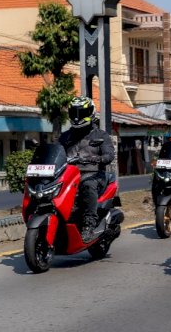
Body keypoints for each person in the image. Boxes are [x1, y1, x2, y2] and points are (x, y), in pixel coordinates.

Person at [59, 96, 115, 242]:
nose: (77, 118)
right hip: (69, 176)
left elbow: (109, 155)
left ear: (91, 113)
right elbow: (56, 153)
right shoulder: (65, 137)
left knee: (87, 185)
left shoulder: (101, 135)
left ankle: (89, 225)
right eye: (74, 113)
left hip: (94, 174)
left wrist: (95, 159)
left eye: (81, 113)